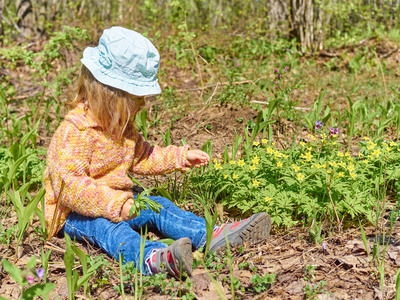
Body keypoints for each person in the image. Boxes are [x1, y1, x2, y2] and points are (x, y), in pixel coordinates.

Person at [43, 26, 271, 278]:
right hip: (74, 214)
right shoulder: (75, 131)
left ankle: (212, 234)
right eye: (136, 97)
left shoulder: (121, 128)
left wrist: (179, 157)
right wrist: (117, 205)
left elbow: (143, 156)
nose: (142, 104)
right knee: (106, 229)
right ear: (109, 93)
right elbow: (71, 188)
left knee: (158, 205)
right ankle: (153, 258)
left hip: (121, 202)